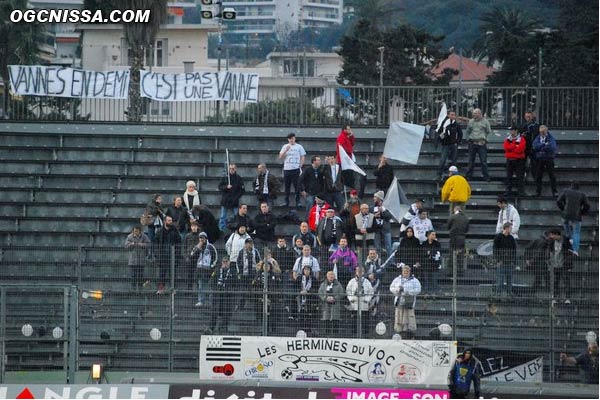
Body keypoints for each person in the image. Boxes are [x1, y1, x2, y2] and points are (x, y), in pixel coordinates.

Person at [557, 182, 590, 254]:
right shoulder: (582, 194)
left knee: (565, 224)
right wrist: (582, 212)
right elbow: (587, 205)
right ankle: (575, 249)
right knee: (576, 232)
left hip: (566, 214)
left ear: (571, 186)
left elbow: (558, 201)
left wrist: (563, 209)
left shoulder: (566, 191)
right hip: (577, 216)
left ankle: (569, 236)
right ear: (578, 187)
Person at [390, 265, 421, 339]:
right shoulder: (397, 279)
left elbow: (418, 290)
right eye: (404, 271)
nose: (405, 273)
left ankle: (409, 334)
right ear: (402, 272)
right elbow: (391, 288)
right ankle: (399, 332)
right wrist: (397, 289)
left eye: (407, 271)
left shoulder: (414, 280)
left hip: (409, 303)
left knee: (409, 319)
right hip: (399, 302)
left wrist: (407, 291)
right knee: (399, 318)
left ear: (410, 272)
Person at [154, 215, 181, 294]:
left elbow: (179, 242)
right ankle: (161, 289)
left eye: (171, 220)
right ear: (165, 221)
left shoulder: (175, 231)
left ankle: (172, 288)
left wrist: (177, 253)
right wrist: (157, 254)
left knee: (173, 274)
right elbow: (155, 243)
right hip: (162, 256)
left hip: (172, 256)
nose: (170, 222)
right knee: (161, 273)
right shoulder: (159, 231)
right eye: (169, 220)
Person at [278, 132, 306, 208]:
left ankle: (298, 201)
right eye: (290, 139)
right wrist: (286, 150)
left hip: (296, 168)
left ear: (295, 138)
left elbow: (302, 156)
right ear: (288, 139)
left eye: (293, 138)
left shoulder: (299, 146)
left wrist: (301, 164)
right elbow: (280, 157)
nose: (291, 140)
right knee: (287, 186)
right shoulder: (285, 146)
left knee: (297, 186)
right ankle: (286, 201)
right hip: (287, 169)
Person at [191, 232, 218, 307]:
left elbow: (215, 257)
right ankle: (201, 301)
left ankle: (209, 301)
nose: (201, 239)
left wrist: (212, 266)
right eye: (200, 238)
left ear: (206, 238)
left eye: (203, 237)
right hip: (199, 269)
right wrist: (198, 248)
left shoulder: (211, 247)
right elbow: (192, 255)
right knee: (200, 285)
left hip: (208, 270)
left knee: (208, 285)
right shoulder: (197, 246)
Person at [547, 228, 574, 303]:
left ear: (556, 234)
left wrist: (569, 264)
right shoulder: (551, 242)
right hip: (555, 265)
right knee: (555, 282)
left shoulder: (565, 241)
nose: (551, 236)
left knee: (566, 282)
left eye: (552, 235)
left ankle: (567, 298)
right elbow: (550, 252)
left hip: (564, 265)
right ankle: (556, 298)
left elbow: (570, 252)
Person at [346, 266, 374, 338]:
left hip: (363, 304)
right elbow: (348, 291)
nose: (359, 272)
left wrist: (367, 299)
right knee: (354, 321)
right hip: (354, 304)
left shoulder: (367, 281)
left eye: (361, 271)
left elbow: (371, 291)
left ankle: (365, 336)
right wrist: (351, 298)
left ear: (363, 272)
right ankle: (354, 335)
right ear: (356, 272)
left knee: (364, 320)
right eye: (358, 271)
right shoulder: (352, 281)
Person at [465, 108, 492, 181]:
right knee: (471, 161)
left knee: (483, 161)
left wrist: (486, 140)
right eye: (473, 113)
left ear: (480, 114)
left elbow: (489, 132)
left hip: (481, 143)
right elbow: (467, 131)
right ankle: (468, 176)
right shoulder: (470, 121)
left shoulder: (485, 122)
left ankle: (486, 177)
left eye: (475, 113)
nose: (473, 115)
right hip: (472, 143)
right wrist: (468, 139)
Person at [436, 110, 463, 181]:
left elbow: (460, 134)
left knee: (454, 160)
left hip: (453, 145)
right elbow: (440, 132)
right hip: (445, 145)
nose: (453, 116)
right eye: (451, 114)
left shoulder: (457, 125)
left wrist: (457, 142)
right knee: (443, 160)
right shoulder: (444, 124)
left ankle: (453, 175)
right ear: (448, 115)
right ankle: (439, 174)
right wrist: (442, 140)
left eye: (454, 115)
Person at [210, 256, 234, 334]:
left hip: (227, 296)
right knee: (214, 312)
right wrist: (215, 289)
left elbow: (236, 283)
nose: (225, 263)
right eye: (224, 262)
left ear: (229, 262)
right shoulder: (217, 270)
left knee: (226, 312)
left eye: (226, 262)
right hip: (217, 295)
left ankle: (223, 328)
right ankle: (211, 327)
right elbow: (211, 281)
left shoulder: (232, 272)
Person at [218, 164, 245, 232]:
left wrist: (236, 197)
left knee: (237, 215)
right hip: (225, 199)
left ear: (235, 169)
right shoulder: (225, 177)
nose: (231, 170)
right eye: (230, 168)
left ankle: (236, 226)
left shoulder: (238, 178)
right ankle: (222, 228)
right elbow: (220, 187)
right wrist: (226, 187)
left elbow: (242, 190)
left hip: (234, 200)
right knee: (223, 216)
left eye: (233, 168)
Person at [532, 125, 557, 196]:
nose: (542, 133)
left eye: (543, 132)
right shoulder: (537, 138)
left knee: (552, 175)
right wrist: (544, 145)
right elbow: (534, 146)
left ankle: (554, 191)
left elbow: (552, 147)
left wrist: (540, 148)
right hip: (540, 159)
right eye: (540, 132)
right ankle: (538, 191)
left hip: (549, 158)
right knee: (538, 176)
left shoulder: (551, 138)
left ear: (546, 131)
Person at [318, 270, 345, 338]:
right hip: (326, 306)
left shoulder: (338, 284)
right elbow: (320, 293)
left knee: (335, 320)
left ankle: (336, 336)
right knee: (326, 320)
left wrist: (334, 298)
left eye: (332, 275)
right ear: (327, 276)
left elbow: (341, 293)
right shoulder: (323, 284)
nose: (331, 276)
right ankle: (327, 336)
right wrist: (325, 298)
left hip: (335, 305)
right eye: (329, 275)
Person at [493, 222, 516, 296]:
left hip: (509, 262)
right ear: (506, 228)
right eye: (510, 228)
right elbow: (495, 249)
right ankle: (499, 293)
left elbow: (514, 250)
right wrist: (498, 260)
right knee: (500, 279)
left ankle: (509, 292)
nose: (511, 229)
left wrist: (513, 261)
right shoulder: (498, 237)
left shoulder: (511, 238)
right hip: (501, 262)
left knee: (510, 279)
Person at [124, 225, 150, 290]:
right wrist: (131, 244)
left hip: (141, 260)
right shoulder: (129, 237)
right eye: (134, 231)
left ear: (140, 231)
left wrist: (142, 244)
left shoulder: (144, 236)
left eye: (137, 231)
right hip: (132, 261)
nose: (135, 232)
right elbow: (126, 246)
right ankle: (133, 289)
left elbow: (149, 244)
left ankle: (140, 289)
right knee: (133, 276)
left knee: (141, 275)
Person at [503, 126, 527, 196]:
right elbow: (506, 148)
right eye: (510, 130)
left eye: (512, 130)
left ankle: (520, 191)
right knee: (509, 176)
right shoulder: (508, 139)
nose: (511, 132)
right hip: (510, 160)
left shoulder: (522, 139)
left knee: (520, 176)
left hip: (519, 160)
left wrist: (511, 148)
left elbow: (520, 150)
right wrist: (515, 146)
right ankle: (508, 191)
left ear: (516, 131)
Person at [295, 265, 319, 333]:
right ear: (303, 271)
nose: (306, 271)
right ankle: (300, 330)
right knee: (301, 315)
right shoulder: (299, 278)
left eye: (308, 270)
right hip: (300, 298)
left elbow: (316, 289)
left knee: (309, 316)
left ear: (310, 271)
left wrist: (308, 292)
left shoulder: (313, 279)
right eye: (305, 270)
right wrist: (300, 291)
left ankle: (308, 330)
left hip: (310, 300)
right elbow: (295, 287)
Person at [447, 206, 469, 275]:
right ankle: (460, 271)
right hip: (462, 237)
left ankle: (451, 272)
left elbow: (448, 226)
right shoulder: (466, 218)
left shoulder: (453, 217)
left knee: (452, 254)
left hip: (454, 237)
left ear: (455, 210)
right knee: (460, 255)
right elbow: (467, 229)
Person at [372, 190, 394, 256]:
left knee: (388, 247)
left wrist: (383, 211)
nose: (373, 198)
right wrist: (374, 216)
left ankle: (391, 262)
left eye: (375, 197)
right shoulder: (371, 208)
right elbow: (369, 218)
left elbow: (390, 217)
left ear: (379, 198)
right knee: (377, 247)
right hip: (376, 230)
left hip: (386, 230)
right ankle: (378, 262)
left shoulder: (386, 208)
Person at [519, 111, 540, 181]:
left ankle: (535, 177)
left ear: (532, 117)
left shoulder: (536, 126)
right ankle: (523, 177)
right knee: (522, 163)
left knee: (534, 164)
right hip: (524, 147)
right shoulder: (522, 126)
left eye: (529, 117)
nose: (527, 118)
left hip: (533, 147)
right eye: (526, 117)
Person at [183, 221, 201, 289]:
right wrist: (186, 256)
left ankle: (197, 289)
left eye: (195, 226)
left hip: (198, 257)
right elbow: (184, 247)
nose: (193, 228)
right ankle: (189, 289)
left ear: (197, 227)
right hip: (189, 257)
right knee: (189, 274)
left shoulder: (200, 236)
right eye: (192, 226)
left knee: (197, 274)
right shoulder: (188, 236)